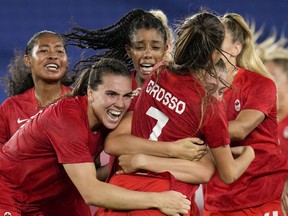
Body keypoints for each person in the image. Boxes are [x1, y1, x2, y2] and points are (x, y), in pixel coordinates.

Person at [95, 11, 255, 216]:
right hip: (163, 201)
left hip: (120, 192)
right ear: (215, 54)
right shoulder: (208, 108)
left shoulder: (159, 72)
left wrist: (143, 158)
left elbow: (116, 142)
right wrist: (250, 153)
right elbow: (228, 173)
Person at [0, 57, 191, 216]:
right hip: (9, 194)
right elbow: (92, 192)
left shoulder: (111, 114)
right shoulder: (67, 119)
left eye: (126, 96)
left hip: (56, 197)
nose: (120, 104)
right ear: (90, 93)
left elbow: (90, 172)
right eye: (111, 94)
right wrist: (159, 200)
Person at [202, 13, 288, 216]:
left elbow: (240, 129)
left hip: (259, 200)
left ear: (236, 48)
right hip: (217, 202)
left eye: (218, 38)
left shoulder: (260, 84)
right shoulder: (201, 86)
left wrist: (190, 130)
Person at [0, 30, 93, 215]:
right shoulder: (10, 107)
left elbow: (94, 162)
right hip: (22, 208)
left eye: (60, 51)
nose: (53, 55)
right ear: (28, 60)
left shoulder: (82, 105)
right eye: (44, 50)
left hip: (69, 209)